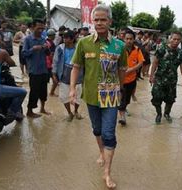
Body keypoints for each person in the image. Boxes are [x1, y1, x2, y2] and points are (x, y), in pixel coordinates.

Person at [69, 4, 127, 189]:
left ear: (110, 21)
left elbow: (122, 70)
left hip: (111, 96)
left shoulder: (119, 45)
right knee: (97, 129)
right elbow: (76, 67)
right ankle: (102, 152)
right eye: (96, 20)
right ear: (92, 21)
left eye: (103, 19)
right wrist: (72, 90)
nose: (99, 23)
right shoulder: (83, 43)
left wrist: (121, 88)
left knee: (109, 133)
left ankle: (107, 173)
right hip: (91, 95)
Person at [149, 32, 182, 124]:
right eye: (174, 39)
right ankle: (159, 114)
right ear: (170, 39)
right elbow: (155, 62)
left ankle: (167, 113)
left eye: (178, 39)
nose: (176, 41)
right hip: (159, 79)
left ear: (180, 41)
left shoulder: (180, 53)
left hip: (172, 80)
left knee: (170, 99)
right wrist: (151, 75)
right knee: (156, 97)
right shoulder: (162, 49)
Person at [22, 19, 51, 118]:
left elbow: (48, 54)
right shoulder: (28, 39)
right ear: (33, 27)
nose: (41, 30)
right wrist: (33, 49)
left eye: (42, 28)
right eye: (39, 28)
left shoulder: (43, 39)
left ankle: (42, 108)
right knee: (34, 91)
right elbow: (24, 54)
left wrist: (47, 49)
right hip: (34, 70)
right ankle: (29, 111)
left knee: (44, 91)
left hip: (44, 69)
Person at [53, 30, 83, 121]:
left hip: (78, 74)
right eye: (64, 38)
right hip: (64, 73)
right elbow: (55, 61)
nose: (64, 39)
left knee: (78, 95)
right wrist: (54, 73)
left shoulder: (79, 48)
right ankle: (69, 113)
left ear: (72, 39)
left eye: (67, 38)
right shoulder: (60, 48)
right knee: (64, 96)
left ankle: (76, 111)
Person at [118, 29, 144, 125]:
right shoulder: (120, 49)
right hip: (120, 80)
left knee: (126, 99)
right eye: (127, 39)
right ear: (124, 39)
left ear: (134, 39)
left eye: (131, 39)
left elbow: (141, 62)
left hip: (131, 80)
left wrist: (131, 70)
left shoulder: (137, 50)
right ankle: (122, 117)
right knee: (122, 98)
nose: (129, 41)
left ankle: (122, 110)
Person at [45, 29, 57, 96]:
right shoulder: (51, 44)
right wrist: (54, 63)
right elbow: (51, 55)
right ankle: (51, 93)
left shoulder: (45, 41)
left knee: (46, 81)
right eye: (54, 35)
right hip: (49, 65)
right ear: (52, 36)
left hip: (46, 65)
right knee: (55, 81)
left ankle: (49, 93)